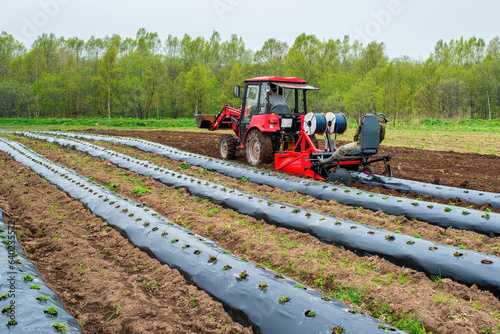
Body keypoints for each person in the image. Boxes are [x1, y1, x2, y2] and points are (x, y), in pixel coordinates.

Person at [318, 113, 388, 163]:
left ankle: (326, 162)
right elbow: (382, 137)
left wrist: (356, 139)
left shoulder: (366, 122)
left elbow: (358, 130)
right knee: (366, 154)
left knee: (341, 149)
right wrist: (374, 144)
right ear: (383, 119)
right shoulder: (382, 126)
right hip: (373, 148)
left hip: (360, 145)